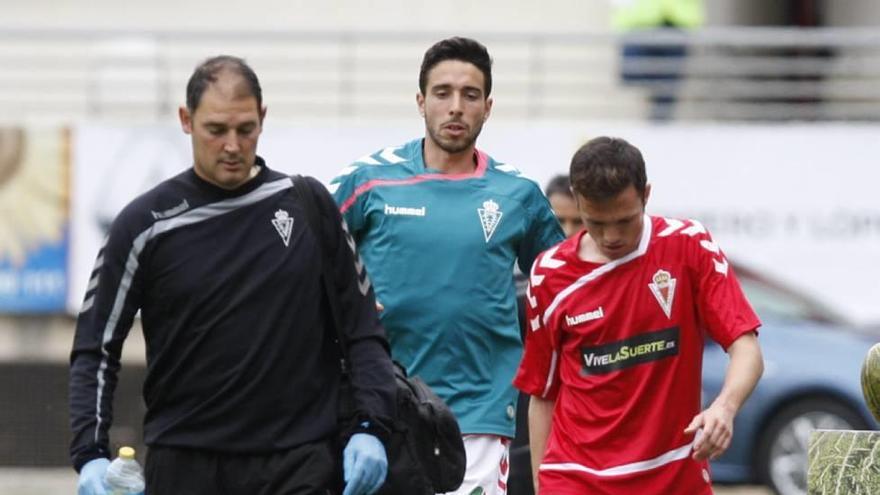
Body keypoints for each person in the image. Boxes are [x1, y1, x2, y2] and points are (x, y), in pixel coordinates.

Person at [69, 55, 395, 495]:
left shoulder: (308, 206)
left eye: (246, 129)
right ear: (186, 120)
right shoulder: (143, 225)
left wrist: (371, 425)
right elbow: (96, 348)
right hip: (186, 466)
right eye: (216, 130)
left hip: (299, 463)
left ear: (262, 117)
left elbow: (363, 330)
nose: (232, 145)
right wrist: (90, 455)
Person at [329, 37, 565, 494]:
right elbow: (313, 260)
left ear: (488, 107)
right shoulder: (369, 180)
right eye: (442, 93)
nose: (455, 107)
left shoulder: (518, 193)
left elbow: (566, 286)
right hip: (380, 408)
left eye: (470, 95)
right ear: (421, 102)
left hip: (478, 416)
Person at [514, 136, 764, 494]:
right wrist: (541, 485)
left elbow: (746, 346)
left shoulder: (688, 245)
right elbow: (543, 393)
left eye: (624, 221)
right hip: (576, 478)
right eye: (596, 222)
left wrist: (724, 408)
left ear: (646, 194)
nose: (611, 236)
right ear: (579, 200)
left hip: (673, 477)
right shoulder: (549, 274)